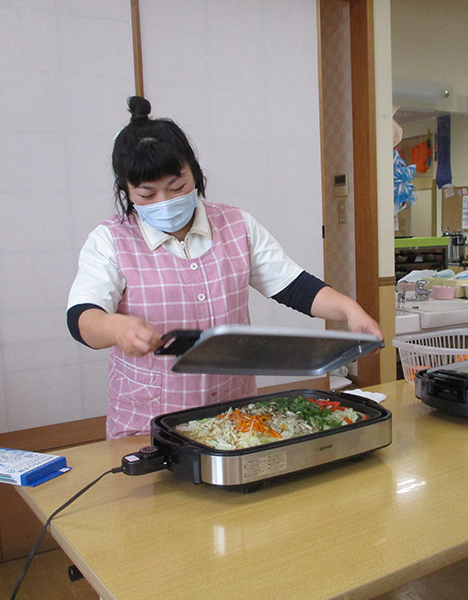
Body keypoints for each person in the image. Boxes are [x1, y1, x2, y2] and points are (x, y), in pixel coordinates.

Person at [68, 96, 382, 439]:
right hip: (149, 421)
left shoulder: (236, 224)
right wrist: (117, 329)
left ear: (195, 173)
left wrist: (349, 310)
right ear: (126, 192)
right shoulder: (110, 239)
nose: (166, 202)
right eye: (147, 195)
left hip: (235, 416)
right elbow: (83, 316)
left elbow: (293, 285)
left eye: (177, 187)